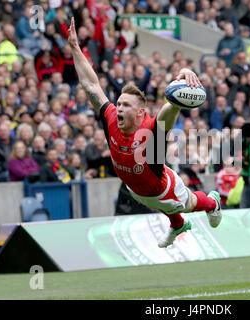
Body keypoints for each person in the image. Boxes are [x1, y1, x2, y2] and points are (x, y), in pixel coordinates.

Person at [68, 17, 222, 248]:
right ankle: (177, 225)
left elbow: (169, 111)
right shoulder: (111, 117)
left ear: (140, 112)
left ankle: (212, 203)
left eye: (125, 106)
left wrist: (183, 77)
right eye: (118, 103)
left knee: (187, 203)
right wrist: (75, 48)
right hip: (135, 188)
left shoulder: (151, 130)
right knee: (150, 198)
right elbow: (91, 85)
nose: (118, 108)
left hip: (164, 190)